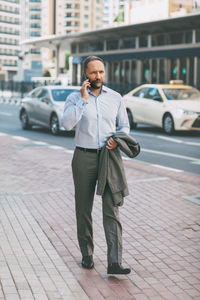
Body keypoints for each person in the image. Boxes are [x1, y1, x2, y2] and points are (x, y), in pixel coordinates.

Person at [62, 56, 131, 275]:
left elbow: (125, 126)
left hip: (109, 157)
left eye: (101, 72)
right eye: (93, 73)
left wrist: (117, 139)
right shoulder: (74, 98)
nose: (98, 76)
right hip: (84, 157)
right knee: (84, 208)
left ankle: (114, 261)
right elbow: (66, 124)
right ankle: (87, 255)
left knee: (112, 208)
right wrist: (83, 100)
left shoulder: (116, 97)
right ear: (85, 75)